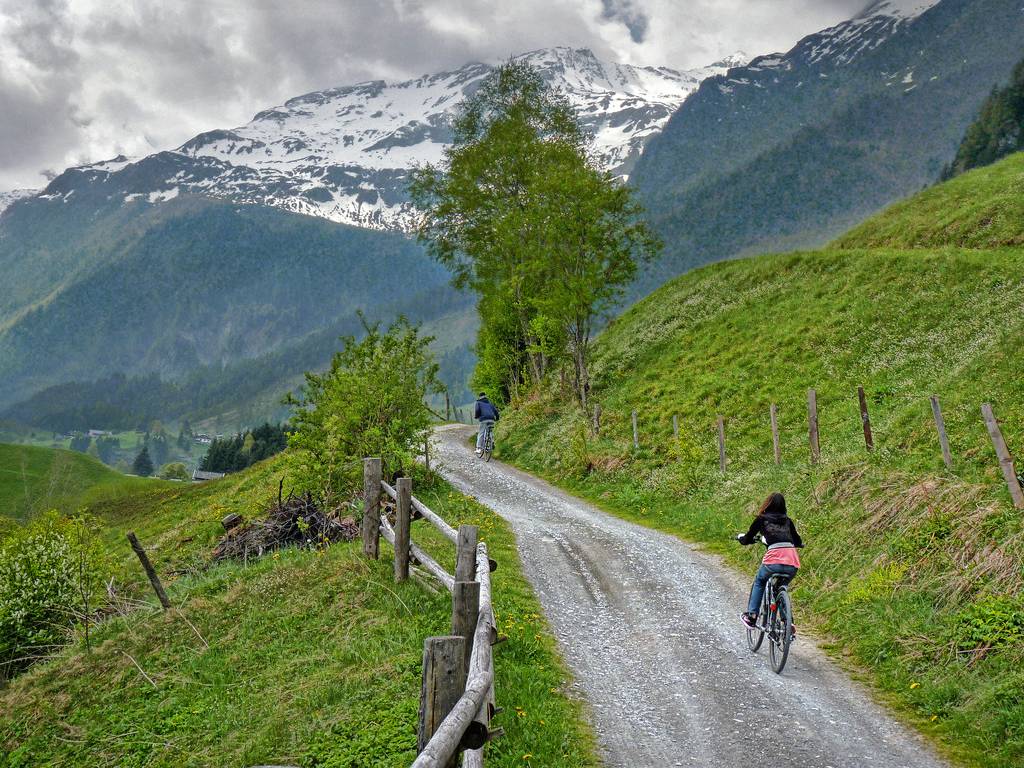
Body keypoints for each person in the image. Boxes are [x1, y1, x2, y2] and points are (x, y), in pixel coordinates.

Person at [735, 492, 803, 629]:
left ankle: (752, 616)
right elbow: (797, 540)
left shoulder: (761, 519)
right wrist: (798, 544)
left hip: (773, 561)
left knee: (759, 581)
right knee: (781, 588)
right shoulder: (788, 521)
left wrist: (743, 540)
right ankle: (788, 622)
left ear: (767, 504)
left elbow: (748, 537)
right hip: (792, 562)